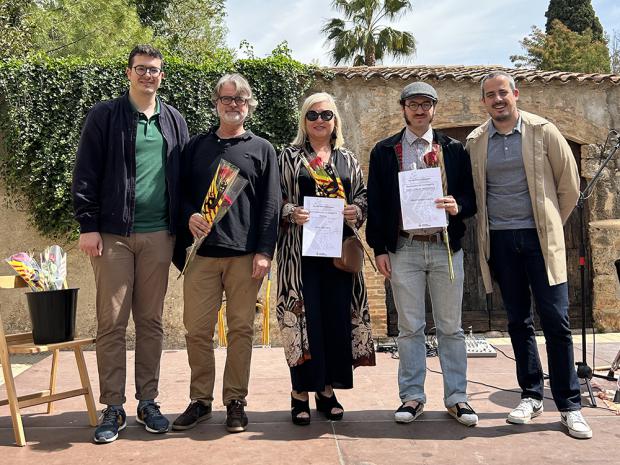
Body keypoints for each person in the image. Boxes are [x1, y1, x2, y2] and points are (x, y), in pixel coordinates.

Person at [72, 44, 189, 443]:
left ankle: (148, 401)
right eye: (141, 69)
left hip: (161, 235)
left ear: (162, 76)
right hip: (112, 236)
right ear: (128, 74)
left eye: (154, 70)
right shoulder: (104, 116)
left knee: (151, 323)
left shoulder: (174, 120)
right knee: (112, 323)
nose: (147, 76)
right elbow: (85, 172)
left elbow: (185, 179)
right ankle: (113, 406)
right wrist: (88, 225)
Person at [466, 71, 592, 439]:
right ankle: (531, 394)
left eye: (502, 92)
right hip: (501, 242)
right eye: (490, 95)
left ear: (516, 94)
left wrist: (549, 224)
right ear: (484, 102)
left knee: (556, 321)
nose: (497, 99)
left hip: (540, 241)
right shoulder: (476, 141)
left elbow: (569, 186)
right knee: (518, 321)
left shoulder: (543, 131)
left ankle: (569, 405)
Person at [171, 73, 280, 434]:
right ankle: (200, 401)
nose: (233, 104)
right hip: (201, 255)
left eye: (240, 99)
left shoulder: (262, 148)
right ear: (216, 103)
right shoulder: (196, 147)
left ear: (248, 105)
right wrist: (189, 215)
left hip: (244, 257)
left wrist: (265, 251)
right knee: (197, 331)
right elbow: (179, 193)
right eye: (226, 98)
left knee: (240, 331)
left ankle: (235, 400)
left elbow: (270, 205)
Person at [366, 82, 478, 426]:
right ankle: (412, 397)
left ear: (434, 109)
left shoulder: (454, 149)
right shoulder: (385, 150)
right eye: (413, 104)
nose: (419, 109)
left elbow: (471, 199)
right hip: (405, 249)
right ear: (403, 108)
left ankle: (457, 398)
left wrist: (457, 205)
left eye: (425, 104)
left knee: (451, 328)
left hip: (444, 248)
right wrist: (379, 248)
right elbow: (377, 202)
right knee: (410, 328)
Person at [276, 92, 375, 425]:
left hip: (337, 255)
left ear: (336, 121)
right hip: (299, 254)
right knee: (304, 322)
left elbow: (362, 195)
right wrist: (291, 211)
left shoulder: (347, 159)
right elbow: (272, 198)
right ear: (304, 121)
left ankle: (327, 390)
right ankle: (300, 393)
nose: (320, 120)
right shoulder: (288, 157)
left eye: (326, 115)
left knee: (333, 320)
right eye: (313, 115)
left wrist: (356, 209)